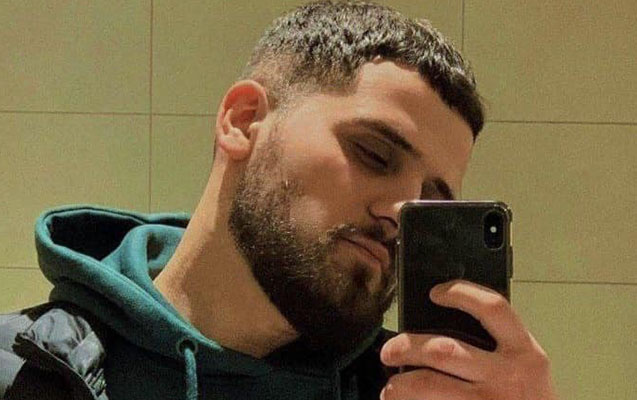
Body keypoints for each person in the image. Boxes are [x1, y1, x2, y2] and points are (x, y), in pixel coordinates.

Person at [0, 1, 557, 399]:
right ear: (244, 121)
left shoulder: (419, 393)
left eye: (431, 202)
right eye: (374, 154)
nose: (400, 215)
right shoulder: (16, 373)